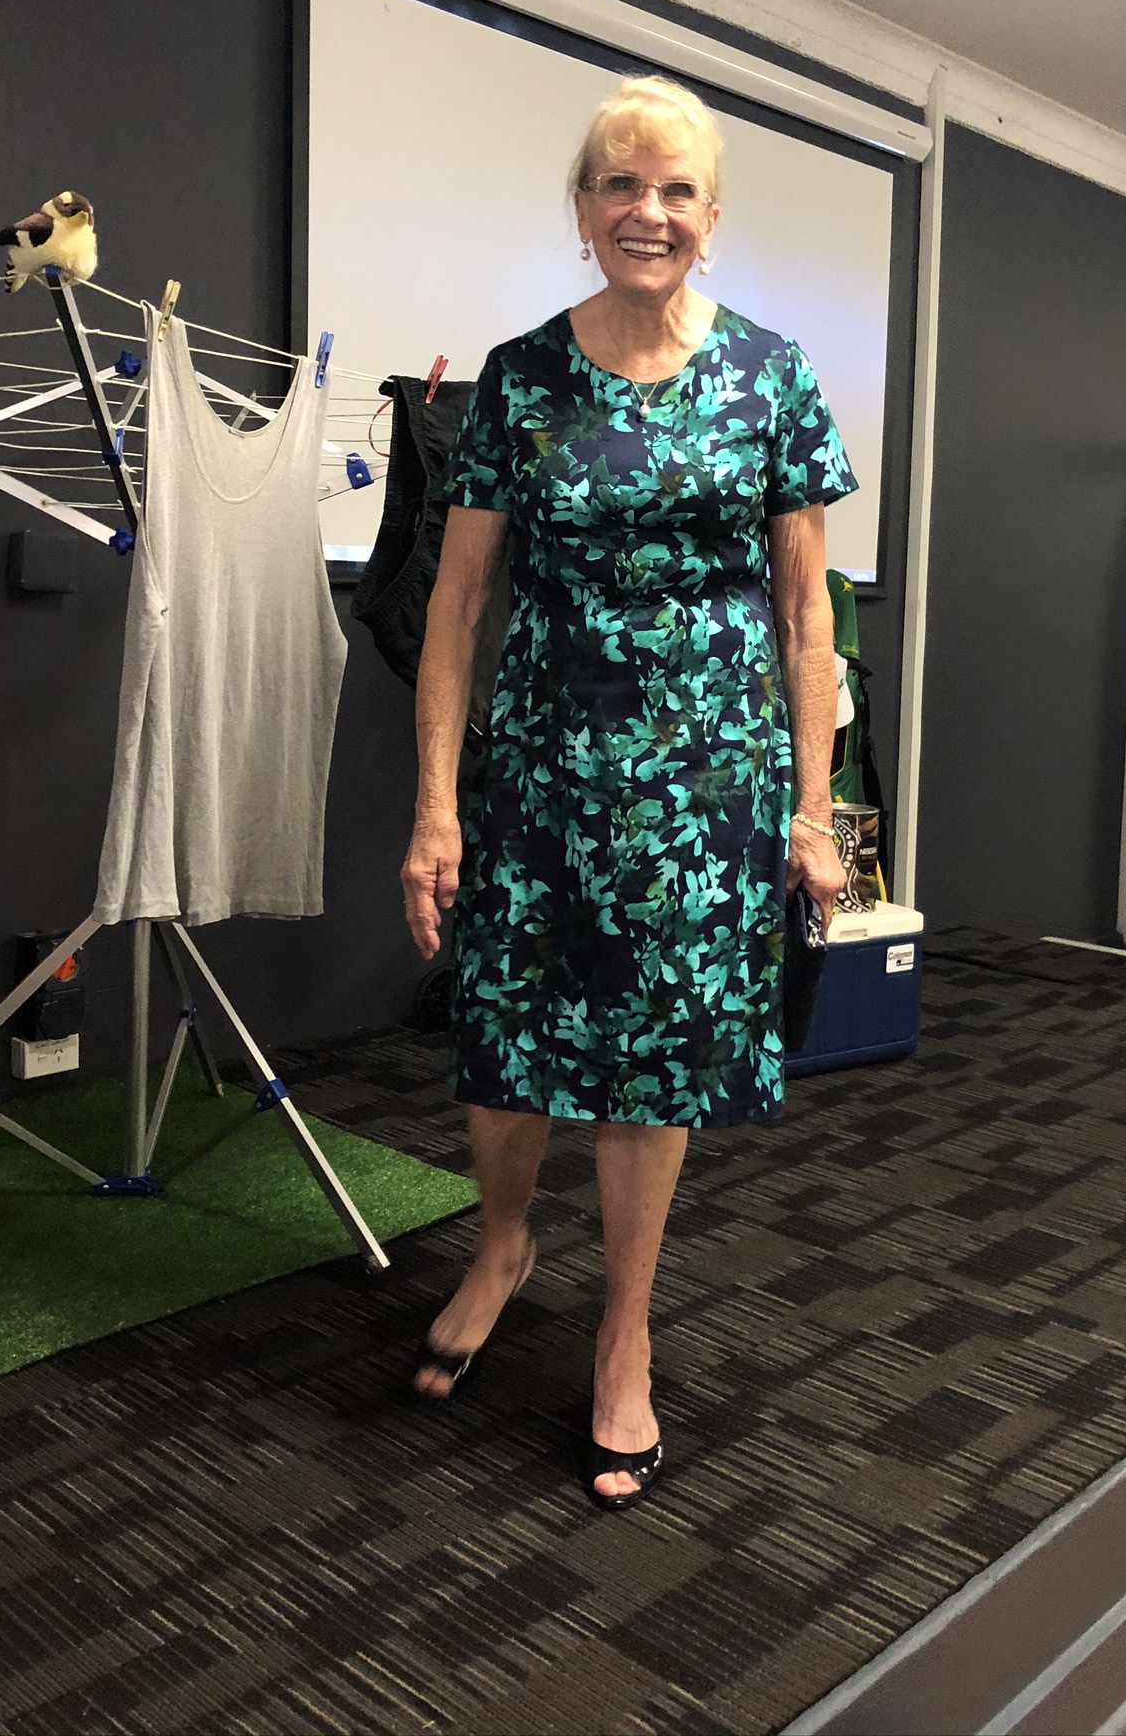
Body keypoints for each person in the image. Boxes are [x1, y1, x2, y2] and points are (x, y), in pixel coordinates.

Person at [400, 75, 855, 1507]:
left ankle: (623, 1334)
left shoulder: (773, 375)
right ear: (583, 207)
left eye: (674, 190)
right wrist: (436, 805)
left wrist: (813, 810)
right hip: (540, 768)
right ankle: (502, 1244)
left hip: (706, 790)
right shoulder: (521, 376)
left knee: (655, 1062)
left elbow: (808, 616)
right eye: (619, 183)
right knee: (508, 1035)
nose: (645, 211)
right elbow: (457, 604)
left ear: (711, 219)